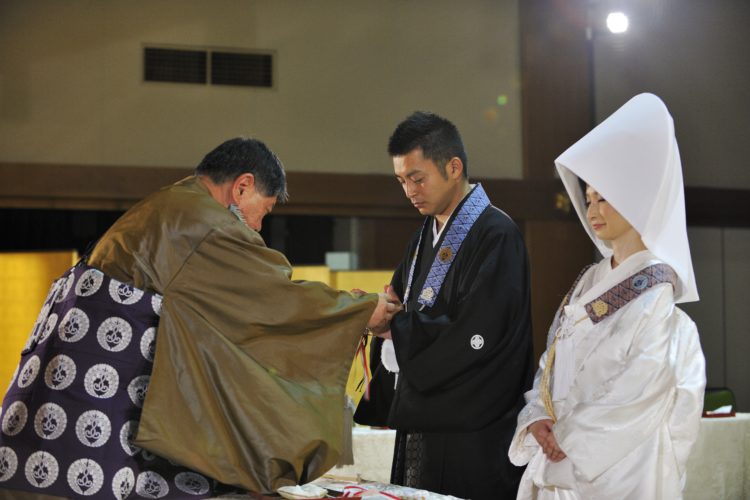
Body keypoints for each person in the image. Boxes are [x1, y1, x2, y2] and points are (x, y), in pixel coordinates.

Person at [0, 137, 398, 499]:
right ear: (242, 186)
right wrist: (362, 310)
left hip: (63, 393)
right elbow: (271, 298)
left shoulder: (169, 204)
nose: (259, 226)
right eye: (264, 210)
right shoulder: (205, 222)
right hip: (100, 401)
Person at [508, 93, 706, 499]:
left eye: (604, 198)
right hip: (561, 445)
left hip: (617, 463)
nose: (593, 209)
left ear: (634, 202)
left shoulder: (655, 287)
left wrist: (570, 437)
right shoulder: (589, 278)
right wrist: (539, 417)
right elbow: (552, 360)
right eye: (589, 199)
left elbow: (642, 382)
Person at [354, 111, 534, 499]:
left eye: (417, 178)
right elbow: (400, 305)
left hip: (474, 430)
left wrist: (393, 327)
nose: (409, 191)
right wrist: (381, 309)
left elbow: (478, 331)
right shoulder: (424, 238)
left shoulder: (497, 234)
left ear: (454, 167)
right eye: (402, 181)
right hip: (426, 421)